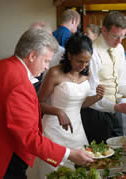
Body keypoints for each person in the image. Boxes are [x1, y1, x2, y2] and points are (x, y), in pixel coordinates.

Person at [0, 29, 95, 179]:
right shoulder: (20, 83)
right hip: (6, 156)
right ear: (32, 56)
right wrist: (68, 154)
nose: (47, 67)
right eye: (46, 61)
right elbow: (28, 137)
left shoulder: (0, 66)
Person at [31, 32, 105, 179]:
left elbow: (80, 104)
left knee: (79, 173)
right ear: (69, 55)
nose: (83, 66)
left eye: (86, 62)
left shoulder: (86, 73)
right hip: (54, 131)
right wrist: (58, 111)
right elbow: (37, 104)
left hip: (77, 131)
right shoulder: (54, 73)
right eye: (79, 61)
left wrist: (96, 97)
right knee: (54, 173)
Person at [81, 11, 126, 144]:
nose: (120, 41)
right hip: (96, 112)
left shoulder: (119, 49)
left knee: (119, 151)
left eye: (123, 36)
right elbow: (90, 92)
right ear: (104, 30)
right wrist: (115, 107)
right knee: (101, 154)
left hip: (115, 108)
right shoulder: (92, 52)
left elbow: (122, 81)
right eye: (115, 36)